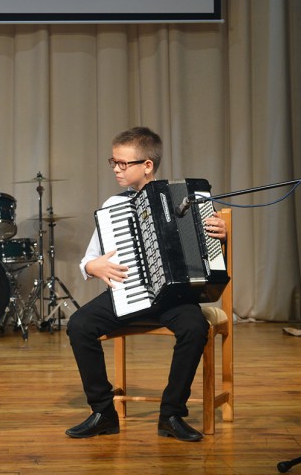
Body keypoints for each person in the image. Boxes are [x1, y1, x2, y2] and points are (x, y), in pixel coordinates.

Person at [65, 127, 227, 442]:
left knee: (195, 328)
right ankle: (103, 412)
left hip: (174, 298)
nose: (115, 168)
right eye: (113, 161)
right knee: (79, 324)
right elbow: (89, 258)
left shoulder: (188, 201)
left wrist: (220, 235)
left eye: (123, 163)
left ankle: (171, 415)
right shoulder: (114, 203)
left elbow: (211, 259)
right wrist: (92, 266)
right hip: (128, 292)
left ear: (147, 165)